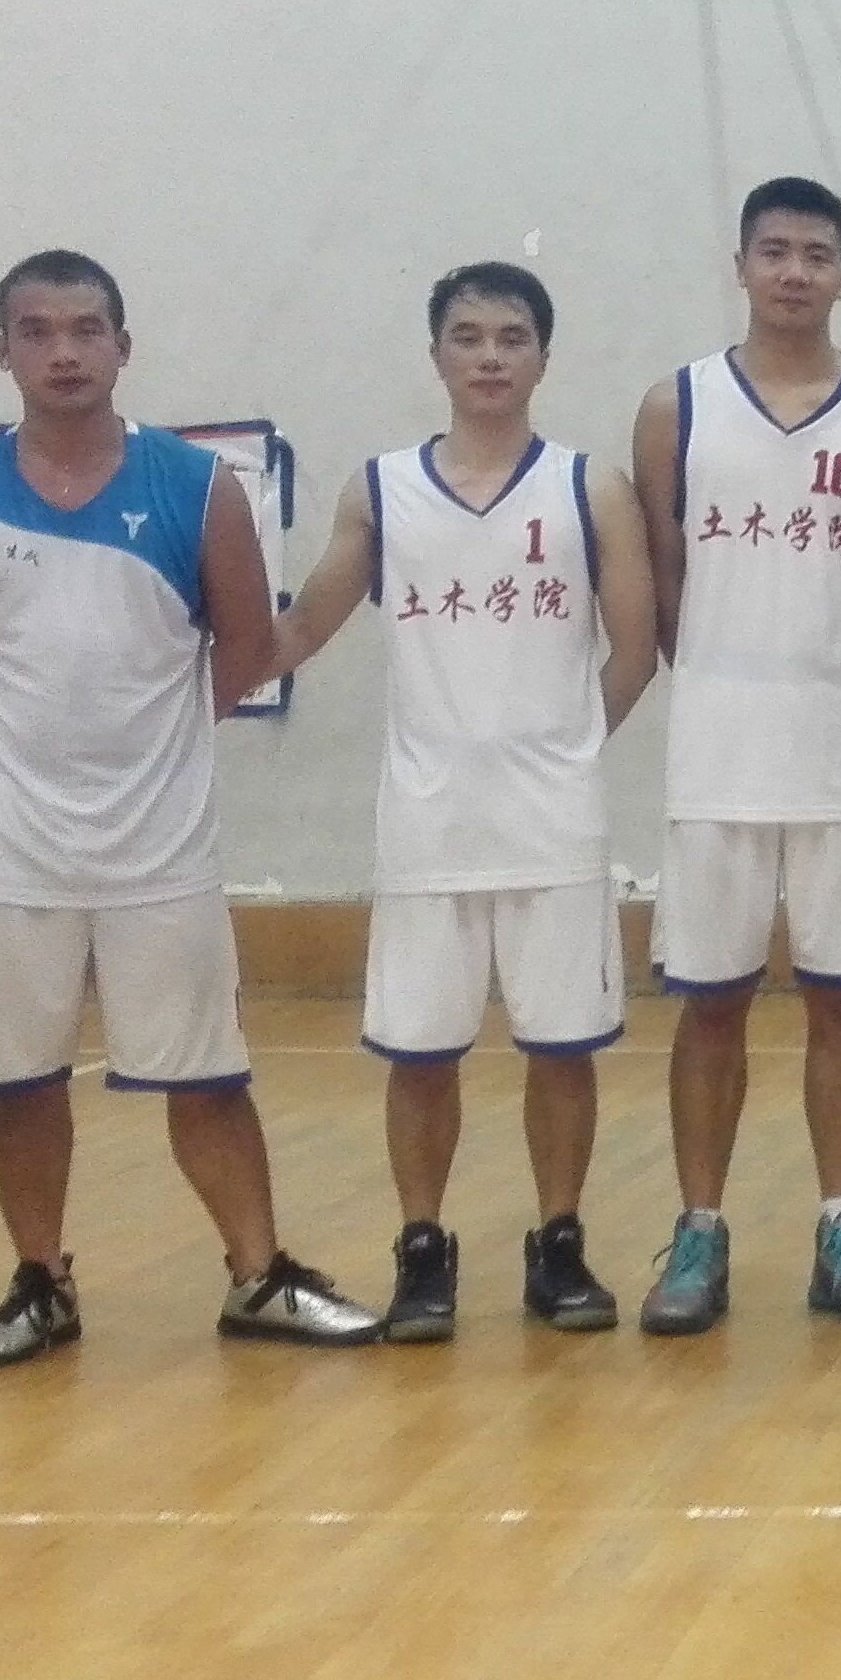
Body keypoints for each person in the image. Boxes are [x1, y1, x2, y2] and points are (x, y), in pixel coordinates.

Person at [0, 251, 380, 1359]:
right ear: (1, 351)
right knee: (20, 1078)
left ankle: (258, 1277)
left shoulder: (198, 486)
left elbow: (245, 646)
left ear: (122, 347)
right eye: (37, 331)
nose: (63, 351)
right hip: (7, 849)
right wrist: (2, 743)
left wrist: (152, 741)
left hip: (162, 845)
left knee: (206, 1075)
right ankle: (40, 1283)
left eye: (85, 329)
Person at [279, 263, 655, 1341]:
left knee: (562, 1047)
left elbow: (636, 648)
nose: (490, 356)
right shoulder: (380, 489)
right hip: (426, 824)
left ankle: (559, 1243)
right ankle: (422, 1249)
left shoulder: (590, 488)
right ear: (436, 354)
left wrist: (565, 752)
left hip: (553, 825)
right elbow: (301, 628)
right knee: (420, 1053)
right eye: (468, 336)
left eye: (511, 337)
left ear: (544, 356)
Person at [629, 179, 841, 1338]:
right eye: (774, 251)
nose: (795, 271)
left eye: (816, 253)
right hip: (716, 750)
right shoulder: (675, 406)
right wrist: (724, 675)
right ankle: (698, 1231)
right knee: (707, 1003)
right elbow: (663, 585)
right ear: (741, 265)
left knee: (840, 1001)